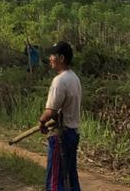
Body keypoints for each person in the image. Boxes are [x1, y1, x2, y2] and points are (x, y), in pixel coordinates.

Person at [37, 41, 82, 191]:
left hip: (61, 136)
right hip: (73, 133)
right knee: (70, 176)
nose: (50, 58)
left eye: (53, 55)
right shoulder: (74, 78)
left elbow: (51, 111)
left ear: (61, 58)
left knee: (55, 180)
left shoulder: (59, 81)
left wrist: (42, 122)